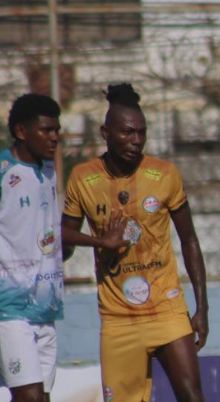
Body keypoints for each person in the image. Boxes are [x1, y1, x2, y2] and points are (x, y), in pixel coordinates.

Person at [61, 83, 209, 402]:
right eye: (128, 133)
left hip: (167, 308)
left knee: (192, 396)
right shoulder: (82, 179)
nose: (136, 141)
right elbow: (65, 241)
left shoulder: (165, 174)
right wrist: (100, 242)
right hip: (118, 319)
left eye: (142, 133)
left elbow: (190, 239)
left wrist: (202, 307)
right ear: (105, 132)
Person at [0, 94, 62, 402]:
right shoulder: (3, 171)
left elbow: (50, 232)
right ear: (22, 131)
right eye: (47, 130)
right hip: (9, 309)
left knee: (42, 398)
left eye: (57, 130)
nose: (55, 138)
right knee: (30, 398)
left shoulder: (49, 170)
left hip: (45, 307)